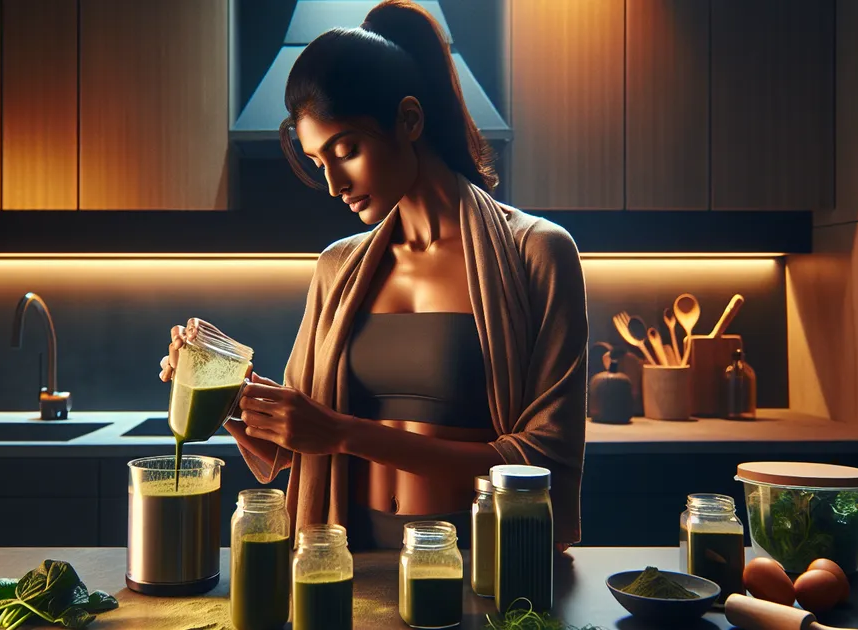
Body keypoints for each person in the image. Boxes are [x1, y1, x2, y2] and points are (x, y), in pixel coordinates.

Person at [160, 0, 588, 552]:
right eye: (319, 162)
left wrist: (343, 432)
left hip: (480, 560)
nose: (335, 182)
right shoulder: (338, 267)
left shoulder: (538, 254)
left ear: (409, 121)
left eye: (347, 150)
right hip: (345, 559)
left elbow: (542, 464)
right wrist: (227, 395)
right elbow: (294, 450)